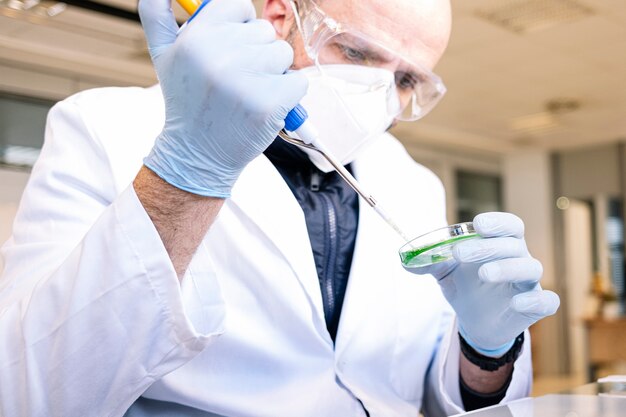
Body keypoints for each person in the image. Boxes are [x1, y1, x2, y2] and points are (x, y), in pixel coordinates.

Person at [0, 0, 560, 415]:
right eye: (357, 52)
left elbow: (430, 393)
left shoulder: (411, 182)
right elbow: (30, 394)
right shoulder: (104, 128)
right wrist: (185, 176)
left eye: (407, 78)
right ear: (277, 17)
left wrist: (486, 352)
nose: (381, 94)